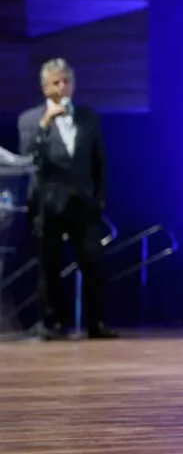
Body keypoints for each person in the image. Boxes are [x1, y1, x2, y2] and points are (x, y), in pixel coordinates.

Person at [17, 58, 116, 340]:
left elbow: (101, 162)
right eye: (56, 82)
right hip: (48, 206)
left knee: (94, 263)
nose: (63, 87)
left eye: (67, 81)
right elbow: (29, 159)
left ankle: (97, 324)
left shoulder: (89, 118)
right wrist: (45, 124)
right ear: (44, 87)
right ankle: (52, 323)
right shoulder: (29, 120)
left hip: (84, 204)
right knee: (49, 266)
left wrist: (100, 198)